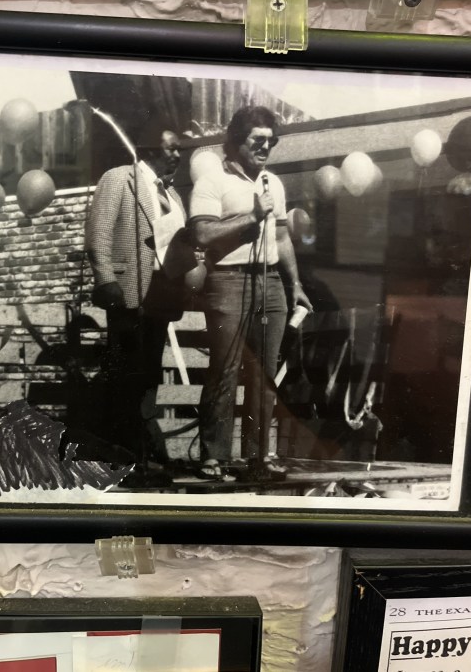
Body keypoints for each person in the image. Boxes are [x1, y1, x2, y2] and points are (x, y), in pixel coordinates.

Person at [189, 106, 312, 482]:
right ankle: (214, 458)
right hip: (227, 280)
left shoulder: (273, 183)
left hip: (270, 281)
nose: (266, 147)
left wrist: (295, 285)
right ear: (236, 140)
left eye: (271, 141)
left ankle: (259, 457)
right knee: (224, 370)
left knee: (265, 373)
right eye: (258, 140)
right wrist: (252, 217)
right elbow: (202, 234)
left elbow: (280, 237)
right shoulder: (212, 180)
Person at [85, 129, 189, 480]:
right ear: (149, 147)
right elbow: (98, 235)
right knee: (125, 373)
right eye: (171, 147)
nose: (177, 154)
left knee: (148, 374)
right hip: (127, 291)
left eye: (180, 149)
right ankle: (125, 456)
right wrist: (107, 281)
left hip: (161, 295)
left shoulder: (171, 194)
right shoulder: (119, 179)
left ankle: (143, 454)